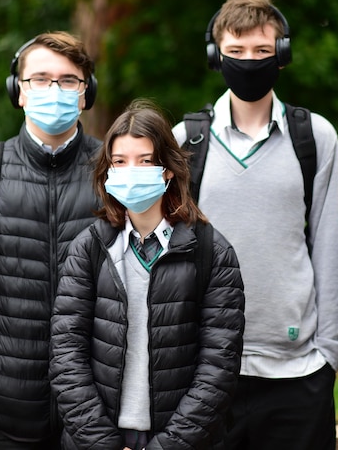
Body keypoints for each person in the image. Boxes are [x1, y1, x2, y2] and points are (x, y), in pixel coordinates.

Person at [171, 0, 338, 449]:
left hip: (298, 372)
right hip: (205, 367)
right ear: (216, 56)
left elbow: (327, 246)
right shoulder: (185, 141)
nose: (249, 60)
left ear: (281, 54)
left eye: (262, 50)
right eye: (235, 50)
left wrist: (330, 353)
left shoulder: (315, 136)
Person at [50, 99, 246, 449]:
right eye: (120, 162)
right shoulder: (88, 249)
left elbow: (218, 368)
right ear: (107, 171)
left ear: (167, 169)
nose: (131, 171)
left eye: (145, 161)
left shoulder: (211, 252)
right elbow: (67, 357)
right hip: (98, 438)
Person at [0, 31, 102, 449]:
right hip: (1, 412)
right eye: (41, 79)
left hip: (96, 408)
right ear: (19, 92)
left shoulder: (112, 175)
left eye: (69, 80)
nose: (55, 90)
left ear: (86, 94)